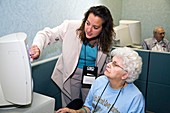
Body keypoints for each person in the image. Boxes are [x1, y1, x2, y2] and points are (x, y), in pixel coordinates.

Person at [29, 5, 115, 106]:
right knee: (70, 105)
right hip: (72, 74)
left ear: (104, 29)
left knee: (90, 105)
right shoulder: (71, 27)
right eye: (87, 23)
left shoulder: (107, 39)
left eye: (95, 27)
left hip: (92, 76)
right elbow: (46, 34)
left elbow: (106, 61)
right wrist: (37, 47)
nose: (89, 30)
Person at [56, 47, 145, 113]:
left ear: (125, 75)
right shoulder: (99, 81)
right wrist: (74, 112)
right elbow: (88, 108)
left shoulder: (135, 98)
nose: (109, 64)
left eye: (115, 64)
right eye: (111, 61)